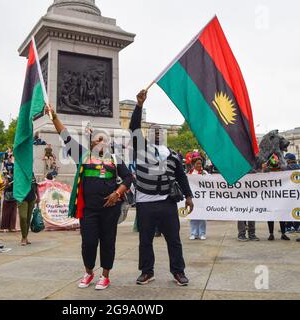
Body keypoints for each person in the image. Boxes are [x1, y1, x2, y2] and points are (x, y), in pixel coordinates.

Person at [46, 104, 133, 291]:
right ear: (92, 143)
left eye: (104, 140)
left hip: (110, 210)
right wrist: (54, 117)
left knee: (108, 242)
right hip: (89, 210)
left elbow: (128, 177)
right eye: (97, 140)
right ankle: (89, 272)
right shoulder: (83, 156)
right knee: (89, 242)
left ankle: (105, 276)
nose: (101, 143)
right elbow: (65, 136)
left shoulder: (115, 159)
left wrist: (117, 193)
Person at [130, 90, 194, 287]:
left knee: (174, 240)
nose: (157, 133)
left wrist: (189, 196)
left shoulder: (174, 155)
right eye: (153, 131)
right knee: (145, 241)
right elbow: (133, 128)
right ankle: (147, 272)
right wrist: (139, 105)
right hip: (145, 203)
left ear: (164, 135)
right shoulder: (141, 149)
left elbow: (181, 177)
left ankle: (178, 272)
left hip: (167, 203)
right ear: (149, 135)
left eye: (160, 131)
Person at [262, 154, 290, 241]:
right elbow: (260, 178)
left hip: (279, 196)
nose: (274, 168)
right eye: (273, 167)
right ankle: (271, 234)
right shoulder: (267, 169)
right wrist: (263, 168)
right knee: (271, 215)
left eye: (276, 167)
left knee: (281, 215)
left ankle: (283, 233)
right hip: (270, 196)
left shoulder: (281, 169)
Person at [188, 157, 209, 240]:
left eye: (200, 163)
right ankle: (194, 233)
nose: (199, 165)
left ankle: (202, 233)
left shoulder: (205, 173)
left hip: (202, 198)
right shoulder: (190, 173)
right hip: (194, 198)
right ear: (193, 164)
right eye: (197, 163)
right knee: (193, 215)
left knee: (202, 216)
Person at [18, 174, 39, 246]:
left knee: (28, 219)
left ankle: (25, 237)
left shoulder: (31, 173)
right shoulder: (19, 171)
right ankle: (24, 237)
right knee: (23, 217)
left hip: (31, 198)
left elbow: (35, 186)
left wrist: (38, 196)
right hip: (22, 198)